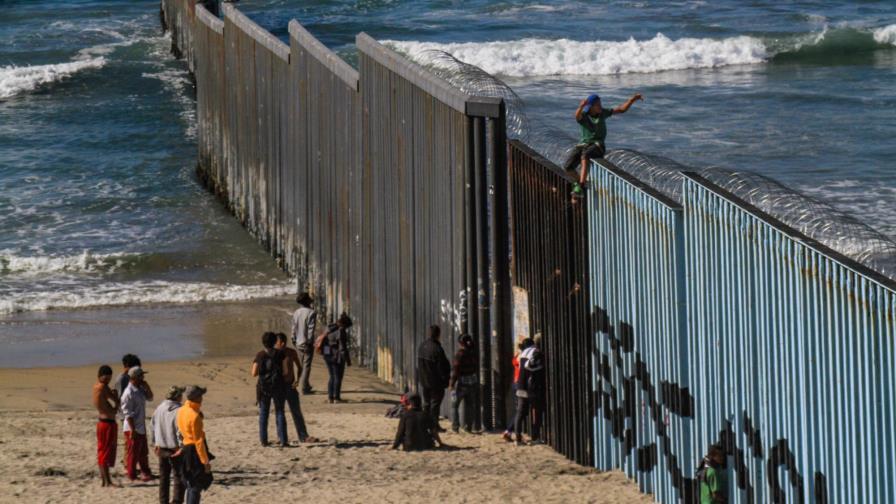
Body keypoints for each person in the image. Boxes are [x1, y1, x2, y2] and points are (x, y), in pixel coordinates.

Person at [570, 92, 643, 197]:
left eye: (600, 103)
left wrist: (632, 100)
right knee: (568, 166)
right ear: (590, 107)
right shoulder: (584, 116)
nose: (600, 106)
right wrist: (581, 106)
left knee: (585, 155)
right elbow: (577, 116)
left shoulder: (603, 113)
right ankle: (577, 182)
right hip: (584, 144)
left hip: (598, 146)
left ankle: (581, 186)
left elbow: (621, 109)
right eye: (597, 104)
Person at [275, 332, 319, 443]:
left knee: (296, 411)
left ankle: (303, 436)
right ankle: (281, 437)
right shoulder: (274, 354)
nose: (279, 344)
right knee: (279, 412)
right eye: (278, 342)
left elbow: (299, 368)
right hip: (279, 387)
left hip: (290, 385)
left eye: (280, 342)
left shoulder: (291, 352)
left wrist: (297, 382)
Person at [252, 332, 289, 447]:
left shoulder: (260, 355)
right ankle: (283, 440)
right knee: (280, 412)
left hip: (264, 388)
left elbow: (253, 373)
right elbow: (285, 371)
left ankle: (264, 440)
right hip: (278, 386)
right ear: (274, 342)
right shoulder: (280, 354)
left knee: (264, 413)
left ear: (263, 342)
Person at [177, 385, 213, 504]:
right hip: (194, 452)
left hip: (186, 449)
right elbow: (199, 443)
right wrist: (205, 462)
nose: (202, 398)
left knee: (190, 484)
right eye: (201, 396)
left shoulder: (181, 410)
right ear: (197, 398)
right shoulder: (194, 416)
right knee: (195, 487)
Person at [120, 366, 155, 481]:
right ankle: (132, 475)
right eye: (141, 376)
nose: (143, 378)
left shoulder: (139, 389)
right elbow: (127, 413)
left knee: (143, 452)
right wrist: (132, 430)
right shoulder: (128, 392)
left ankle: (145, 472)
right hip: (132, 427)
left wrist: (147, 387)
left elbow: (150, 398)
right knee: (133, 453)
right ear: (135, 377)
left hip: (140, 425)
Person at [152, 385, 186, 504]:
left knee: (164, 477)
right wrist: (181, 447)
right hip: (175, 448)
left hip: (161, 447)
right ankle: (176, 502)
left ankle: (163, 501)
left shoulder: (159, 408)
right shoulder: (180, 410)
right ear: (178, 396)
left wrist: (155, 443)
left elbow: (153, 426)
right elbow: (180, 430)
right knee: (179, 477)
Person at [416, 325, 451, 432]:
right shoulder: (437, 349)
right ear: (438, 334)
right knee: (435, 405)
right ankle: (434, 426)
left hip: (424, 381)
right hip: (436, 382)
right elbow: (442, 367)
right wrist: (446, 380)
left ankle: (425, 424)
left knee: (426, 404)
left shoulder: (422, 346)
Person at [512, 338, 546, 445]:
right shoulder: (535, 352)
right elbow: (529, 365)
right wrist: (539, 367)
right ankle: (535, 437)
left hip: (520, 385)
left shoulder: (522, 354)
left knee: (520, 412)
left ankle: (517, 438)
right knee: (537, 411)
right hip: (532, 387)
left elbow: (518, 363)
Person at [92, 365, 120, 487]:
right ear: (101, 376)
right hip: (107, 423)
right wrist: (116, 401)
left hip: (101, 422)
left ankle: (105, 480)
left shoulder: (96, 386)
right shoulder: (103, 387)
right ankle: (107, 481)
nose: (108, 380)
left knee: (102, 450)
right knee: (106, 452)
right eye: (107, 378)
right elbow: (116, 401)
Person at [449, 333, 480, 434]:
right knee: (470, 405)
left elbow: (455, 369)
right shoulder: (473, 352)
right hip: (473, 382)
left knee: (454, 405)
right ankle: (468, 427)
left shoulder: (460, 354)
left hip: (462, 384)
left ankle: (455, 427)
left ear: (460, 343)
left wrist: (452, 383)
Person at [321, 313, 353, 404]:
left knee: (332, 376)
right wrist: (347, 360)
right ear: (345, 325)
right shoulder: (341, 331)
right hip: (337, 356)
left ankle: (330, 397)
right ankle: (336, 398)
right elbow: (342, 348)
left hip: (327, 355)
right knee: (338, 376)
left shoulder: (330, 327)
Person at [291, 292, 317, 395]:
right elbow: (311, 329)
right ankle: (304, 388)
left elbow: (293, 327)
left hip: (297, 342)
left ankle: (300, 385)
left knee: (300, 365)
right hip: (307, 342)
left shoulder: (296, 312)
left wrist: (293, 338)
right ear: (307, 301)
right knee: (306, 366)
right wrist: (310, 342)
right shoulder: (311, 312)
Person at [502, 337, 525, 442]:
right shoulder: (524, 357)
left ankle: (509, 431)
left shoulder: (517, 356)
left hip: (515, 383)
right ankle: (510, 431)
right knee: (521, 410)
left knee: (519, 410)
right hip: (521, 384)